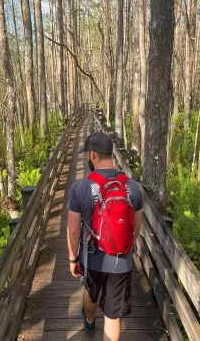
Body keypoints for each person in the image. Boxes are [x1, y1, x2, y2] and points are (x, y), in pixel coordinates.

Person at [67, 132, 143, 341]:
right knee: (112, 314)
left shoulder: (79, 187)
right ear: (111, 153)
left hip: (92, 257)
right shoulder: (133, 186)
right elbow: (137, 228)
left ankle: (89, 321)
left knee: (91, 293)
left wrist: (73, 258)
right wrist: (122, 245)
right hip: (121, 259)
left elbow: (73, 230)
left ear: (92, 155)